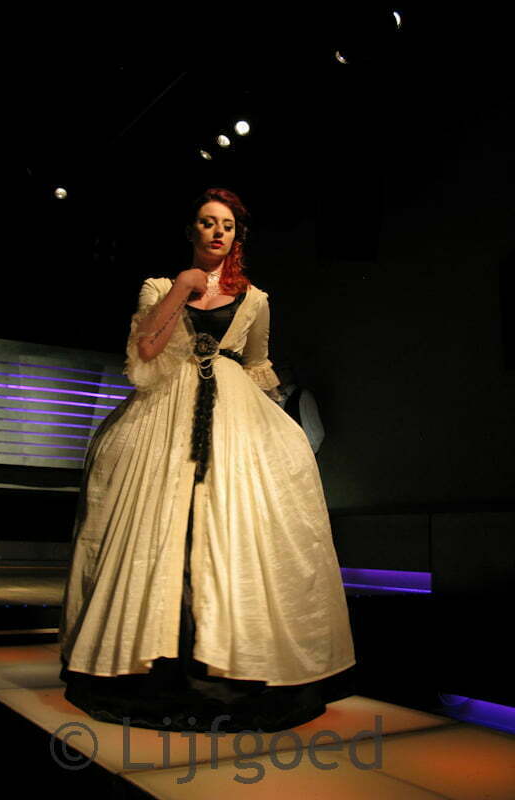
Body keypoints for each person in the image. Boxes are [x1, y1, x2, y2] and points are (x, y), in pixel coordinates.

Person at [58, 188, 356, 733]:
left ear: (237, 235)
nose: (217, 232)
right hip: (164, 411)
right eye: (207, 222)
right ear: (191, 230)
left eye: (227, 225)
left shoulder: (257, 299)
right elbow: (145, 352)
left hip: (234, 414)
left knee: (233, 526)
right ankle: (145, 660)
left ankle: (236, 658)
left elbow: (259, 364)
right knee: (155, 526)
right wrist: (183, 287)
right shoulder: (158, 286)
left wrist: (268, 441)